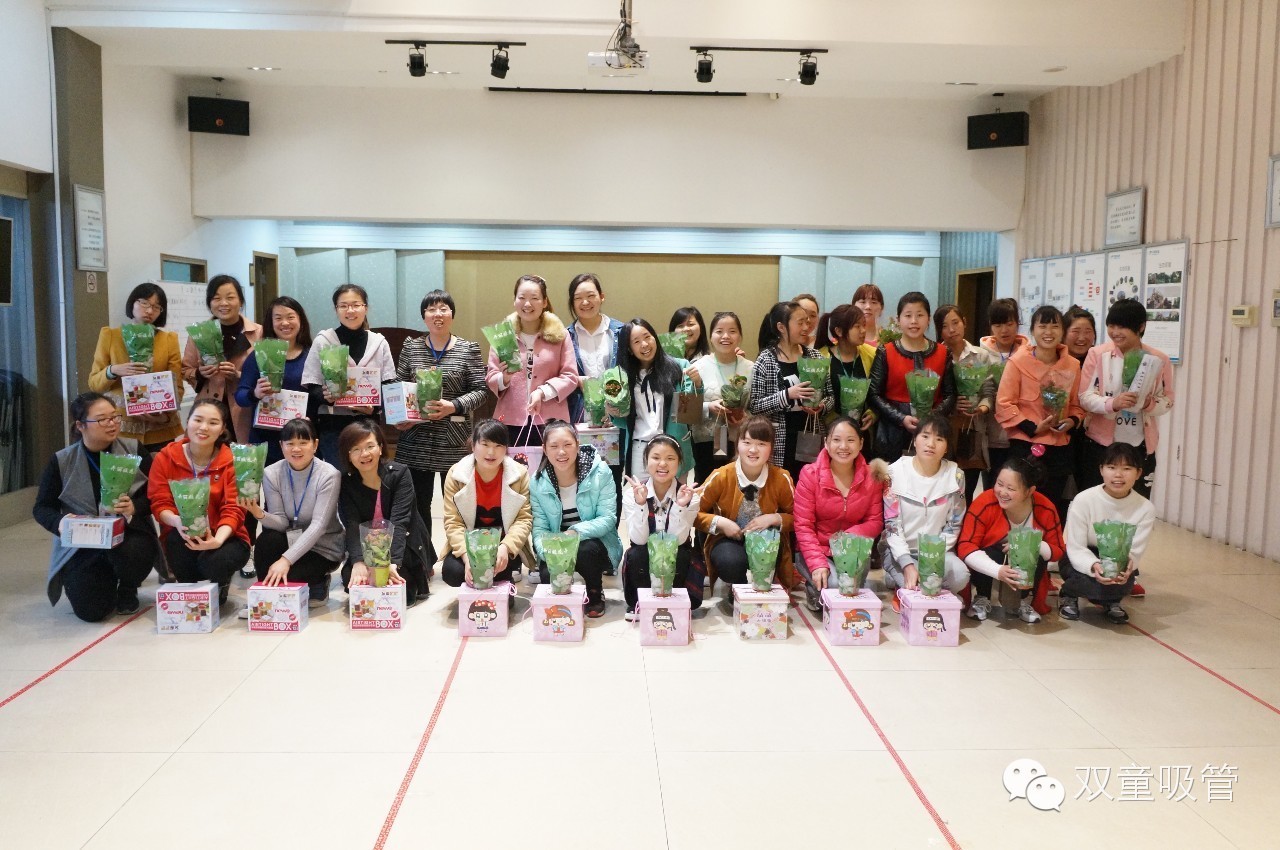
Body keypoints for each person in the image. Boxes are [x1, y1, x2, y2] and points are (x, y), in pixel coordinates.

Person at [33, 392, 159, 621]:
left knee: (134, 553)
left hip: (128, 534)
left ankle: (128, 587)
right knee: (91, 612)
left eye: (115, 417)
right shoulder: (62, 460)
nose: (112, 423)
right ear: (80, 425)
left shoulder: (133, 449)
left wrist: (135, 507)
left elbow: (157, 495)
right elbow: (42, 508)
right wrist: (60, 522)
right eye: (102, 419)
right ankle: (103, 580)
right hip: (84, 541)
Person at [394, 289, 490, 564]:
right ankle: (423, 560)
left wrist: (453, 405)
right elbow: (399, 387)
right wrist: (400, 414)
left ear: (452, 314)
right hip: (416, 437)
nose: (438, 314)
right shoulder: (411, 348)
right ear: (424, 316)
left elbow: (481, 391)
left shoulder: (468, 348)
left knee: (459, 503)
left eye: (443, 309)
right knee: (417, 503)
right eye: (431, 309)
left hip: (455, 439)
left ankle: (459, 557)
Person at [147, 398, 250, 607]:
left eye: (213, 422)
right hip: (182, 532)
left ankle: (220, 582)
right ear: (188, 421)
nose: (204, 427)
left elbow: (234, 509)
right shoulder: (166, 457)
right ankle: (191, 589)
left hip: (226, 536)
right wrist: (177, 521)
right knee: (176, 540)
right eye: (198, 420)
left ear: (223, 429)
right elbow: (159, 503)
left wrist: (217, 541)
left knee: (214, 562)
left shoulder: (233, 461)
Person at [237, 418, 343, 610]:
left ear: (315, 445)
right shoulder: (271, 473)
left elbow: (319, 526)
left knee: (289, 574)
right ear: (281, 446)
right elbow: (281, 522)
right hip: (290, 539)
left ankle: (319, 582)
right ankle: (264, 599)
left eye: (303, 443)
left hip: (323, 547)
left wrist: (285, 560)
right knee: (266, 541)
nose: (296, 449)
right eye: (290, 443)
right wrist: (258, 513)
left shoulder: (329, 474)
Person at [1077, 298, 1174, 498]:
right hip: (1101, 444)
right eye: (1111, 326)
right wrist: (1112, 404)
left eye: (1122, 327)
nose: (1115, 332)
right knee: (1097, 501)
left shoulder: (1158, 359)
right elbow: (1084, 396)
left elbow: (1167, 401)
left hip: (1140, 446)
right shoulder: (1097, 354)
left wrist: (1147, 403)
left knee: (1136, 501)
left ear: (1141, 327)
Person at [995, 304, 1086, 518]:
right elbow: (1004, 403)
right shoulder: (1017, 362)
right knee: (1020, 505)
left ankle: (1048, 540)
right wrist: (1033, 428)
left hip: (1059, 448)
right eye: (1042, 326)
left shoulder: (1072, 365)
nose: (1048, 332)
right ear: (1032, 331)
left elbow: (1076, 405)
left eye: (1055, 326)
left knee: (1052, 507)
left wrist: (1072, 420)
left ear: (1062, 331)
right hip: (1025, 445)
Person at [693, 416, 796, 601]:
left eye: (761, 444)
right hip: (729, 540)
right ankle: (737, 587)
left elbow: (800, 517)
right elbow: (692, 513)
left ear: (771, 447)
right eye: (746, 442)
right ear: (737, 444)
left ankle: (765, 585)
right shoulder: (721, 476)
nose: (753, 450)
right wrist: (720, 522)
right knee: (730, 562)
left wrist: (774, 518)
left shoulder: (781, 478)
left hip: (768, 543)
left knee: (770, 557)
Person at [792, 415, 887, 612]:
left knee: (847, 592)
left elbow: (875, 521)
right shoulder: (810, 474)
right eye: (836, 440)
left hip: (852, 550)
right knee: (835, 586)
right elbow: (803, 525)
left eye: (850, 440)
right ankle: (813, 588)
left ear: (861, 443)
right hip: (816, 549)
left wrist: (847, 537)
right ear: (826, 443)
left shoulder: (872, 477)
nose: (843, 446)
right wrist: (817, 563)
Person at [957, 457, 1066, 624]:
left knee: (1034, 552)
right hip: (992, 558)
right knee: (991, 550)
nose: (1002, 492)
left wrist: (1033, 545)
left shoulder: (1045, 508)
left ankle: (1023, 601)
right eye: (999, 484)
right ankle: (982, 597)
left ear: (1029, 491)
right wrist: (997, 570)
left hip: (1026, 567)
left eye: (1010, 488)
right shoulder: (985, 502)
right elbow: (965, 546)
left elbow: (1058, 550)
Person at [528, 420, 621, 617]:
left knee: (586, 551)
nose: (561, 452)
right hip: (557, 544)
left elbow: (607, 518)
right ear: (544, 449)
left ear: (578, 445)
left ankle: (595, 591)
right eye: (554, 446)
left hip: (594, 542)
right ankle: (564, 597)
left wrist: (574, 533)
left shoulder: (600, 472)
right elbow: (539, 528)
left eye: (567, 445)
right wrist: (548, 553)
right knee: (547, 575)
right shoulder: (537, 482)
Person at [1059, 442, 1156, 624]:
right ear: (1101, 470)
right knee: (1086, 581)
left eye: (1127, 468)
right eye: (1111, 467)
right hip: (1084, 554)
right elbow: (1076, 546)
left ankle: (1112, 601)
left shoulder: (1145, 508)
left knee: (1123, 582)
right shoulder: (1084, 500)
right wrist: (1093, 565)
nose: (1118, 474)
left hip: (1119, 557)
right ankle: (1069, 593)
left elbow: (1135, 550)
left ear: (1138, 473)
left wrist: (1128, 567)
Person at [337, 419, 431, 605]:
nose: (364, 454)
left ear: (380, 448)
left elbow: (400, 522)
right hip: (369, 547)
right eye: (356, 449)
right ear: (348, 455)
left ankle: (412, 573)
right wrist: (358, 561)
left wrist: (392, 562)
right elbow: (352, 523)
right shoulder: (347, 481)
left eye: (370, 446)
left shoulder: (400, 474)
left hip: (402, 545)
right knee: (351, 578)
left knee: (400, 586)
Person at [302, 284, 397, 465]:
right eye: (343, 306)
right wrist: (326, 396)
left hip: (368, 426)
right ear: (336, 309)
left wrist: (374, 406)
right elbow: (311, 386)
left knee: (367, 477)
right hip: (332, 427)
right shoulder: (324, 341)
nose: (350, 310)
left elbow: (389, 385)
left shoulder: (379, 343)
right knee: (338, 477)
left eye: (356, 305)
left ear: (365, 308)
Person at [485, 274, 580, 450]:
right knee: (512, 467)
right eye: (522, 298)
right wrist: (504, 378)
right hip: (510, 420)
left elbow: (570, 376)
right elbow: (491, 376)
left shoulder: (560, 335)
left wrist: (542, 392)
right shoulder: (503, 336)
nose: (527, 304)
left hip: (551, 421)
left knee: (551, 465)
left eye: (534, 298)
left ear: (544, 302)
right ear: (515, 301)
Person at [882, 414, 970, 601]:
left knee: (961, 576)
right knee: (919, 586)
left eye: (939, 439)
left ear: (947, 447)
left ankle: (907, 582)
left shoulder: (956, 476)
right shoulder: (894, 473)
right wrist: (907, 564)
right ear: (914, 440)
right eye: (925, 436)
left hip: (937, 553)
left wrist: (932, 558)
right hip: (901, 552)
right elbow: (892, 525)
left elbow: (954, 523)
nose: (931, 444)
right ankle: (898, 574)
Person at [88, 282, 185, 450]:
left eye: (156, 307)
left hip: (159, 429)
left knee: (159, 467)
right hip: (121, 429)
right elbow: (94, 384)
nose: (149, 311)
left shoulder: (168, 339)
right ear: (132, 303)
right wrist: (113, 370)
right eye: (144, 303)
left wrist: (164, 415)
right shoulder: (111, 336)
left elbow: (177, 387)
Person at [439, 418, 535, 588]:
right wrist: (467, 557)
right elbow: (453, 522)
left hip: (502, 545)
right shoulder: (456, 474)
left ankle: (504, 580)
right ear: (473, 445)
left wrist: (506, 547)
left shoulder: (519, 474)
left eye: (498, 446)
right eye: (485, 444)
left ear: (506, 448)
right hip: (470, 545)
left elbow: (524, 519)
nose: (491, 452)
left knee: (500, 569)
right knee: (453, 572)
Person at [747, 300, 832, 482]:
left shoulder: (815, 356)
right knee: (782, 484)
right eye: (800, 323)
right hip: (779, 438)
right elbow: (754, 406)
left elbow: (830, 396)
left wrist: (822, 406)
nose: (806, 327)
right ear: (781, 327)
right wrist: (787, 395)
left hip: (810, 433)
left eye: (807, 322)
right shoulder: (766, 360)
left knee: (808, 482)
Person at [867, 291, 957, 461]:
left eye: (920, 315)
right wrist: (901, 418)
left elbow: (950, 394)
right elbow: (873, 394)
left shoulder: (943, 353)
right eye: (908, 315)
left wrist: (931, 417)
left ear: (928, 319)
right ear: (898, 319)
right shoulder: (885, 352)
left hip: (932, 431)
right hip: (892, 432)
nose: (914, 321)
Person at [619, 435, 701, 620]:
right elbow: (639, 539)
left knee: (681, 554)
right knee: (637, 554)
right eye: (656, 457)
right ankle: (640, 603)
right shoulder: (632, 495)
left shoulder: (691, 497)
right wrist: (641, 504)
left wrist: (680, 506)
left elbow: (677, 540)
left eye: (670, 458)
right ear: (646, 461)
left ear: (679, 463)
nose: (662, 464)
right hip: (644, 556)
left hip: (677, 555)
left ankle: (675, 603)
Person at [609, 318, 697, 479]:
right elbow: (624, 421)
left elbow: (689, 414)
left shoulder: (679, 367)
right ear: (629, 349)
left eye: (647, 337)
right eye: (636, 341)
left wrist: (697, 384)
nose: (644, 344)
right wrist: (613, 412)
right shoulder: (623, 376)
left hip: (673, 446)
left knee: (675, 495)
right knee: (641, 494)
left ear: (655, 338)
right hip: (639, 449)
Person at [181, 275, 264, 443]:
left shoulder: (258, 333)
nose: (223, 303)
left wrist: (239, 375)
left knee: (242, 455)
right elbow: (185, 369)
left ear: (240, 301)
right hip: (208, 409)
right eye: (216, 298)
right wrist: (200, 373)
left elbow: (265, 374)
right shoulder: (199, 333)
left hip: (244, 410)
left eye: (230, 297)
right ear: (209, 303)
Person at [235, 296, 316, 466]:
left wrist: (312, 418)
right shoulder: (259, 355)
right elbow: (240, 397)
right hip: (265, 440)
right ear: (270, 323)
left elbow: (317, 397)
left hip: (300, 441)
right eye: (278, 318)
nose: (285, 323)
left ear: (300, 320)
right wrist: (255, 393)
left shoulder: (312, 356)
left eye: (290, 317)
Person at [935, 303, 999, 501]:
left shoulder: (981, 355)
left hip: (973, 429)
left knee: (967, 490)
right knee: (942, 490)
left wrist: (982, 408)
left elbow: (989, 391)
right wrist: (950, 405)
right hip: (944, 430)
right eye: (944, 326)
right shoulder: (936, 356)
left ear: (964, 322)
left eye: (955, 323)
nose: (951, 330)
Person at [689, 311, 754, 476]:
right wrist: (708, 406)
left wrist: (746, 417)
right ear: (711, 337)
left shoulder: (751, 368)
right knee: (707, 485)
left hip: (742, 442)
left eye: (732, 331)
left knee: (737, 486)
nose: (725, 336)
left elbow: (758, 405)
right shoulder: (697, 367)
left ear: (740, 336)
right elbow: (684, 411)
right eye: (719, 331)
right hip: (705, 443)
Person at [565, 273, 625, 422]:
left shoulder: (621, 332)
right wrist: (576, 380)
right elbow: (557, 374)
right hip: (580, 416)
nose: (585, 302)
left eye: (591, 296)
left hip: (617, 416)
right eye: (578, 298)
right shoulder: (565, 337)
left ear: (601, 297)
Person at [979, 297, 1028, 476]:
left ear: (1017, 323)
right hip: (990, 434)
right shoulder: (980, 355)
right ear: (991, 326)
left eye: (1009, 324)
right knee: (993, 484)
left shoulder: (1029, 355)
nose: (1004, 330)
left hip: (1021, 435)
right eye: (998, 325)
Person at [816, 303, 877, 427]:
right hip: (831, 428)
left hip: (862, 428)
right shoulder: (820, 357)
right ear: (839, 331)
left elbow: (880, 392)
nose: (863, 330)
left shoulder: (873, 354)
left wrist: (874, 413)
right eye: (857, 326)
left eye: (864, 325)